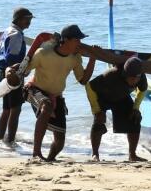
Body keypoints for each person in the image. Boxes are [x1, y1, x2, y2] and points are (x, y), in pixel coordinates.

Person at [15, 24, 96, 162]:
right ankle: (36, 153)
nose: (80, 43)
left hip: (57, 96)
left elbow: (83, 80)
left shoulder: (75, 58)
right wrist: (12, 70)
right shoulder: (43, 53)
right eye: (77, 40)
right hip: (35, 89)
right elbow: (25, 70)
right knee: (46, 106)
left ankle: (49, 160)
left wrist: (93, 59)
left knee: (60, 142)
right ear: (66, 40)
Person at [86, 57, 148, 161]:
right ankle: (95, 155)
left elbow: (142, 90)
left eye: (136, 78)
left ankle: (132, 155)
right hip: (102, 97)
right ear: (125, 74)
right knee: (99, 121)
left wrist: (136, 108)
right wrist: (96, 110)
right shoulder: (111, 75)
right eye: (131, 78)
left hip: (122, 97)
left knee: (135, 118)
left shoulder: (141, 77)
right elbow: (89, 87)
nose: (134, 81)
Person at [0, 7, 33, 144]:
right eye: (28, 19)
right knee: (15, 109)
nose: (29, 23)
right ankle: (10, 141)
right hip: (12, 74)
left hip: (2, 72)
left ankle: (0, 138)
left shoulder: (6, 32)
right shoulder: (16, 34)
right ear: (21, 19)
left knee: (6, 108)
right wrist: (19, 70)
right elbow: (12, 57)